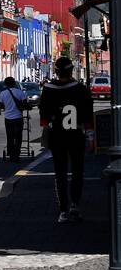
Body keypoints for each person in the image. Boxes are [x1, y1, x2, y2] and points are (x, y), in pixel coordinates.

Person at [39, 56, 95, 223]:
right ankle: (75, 205)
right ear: (71, 71)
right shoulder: (80, 89)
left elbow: (44, 117)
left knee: (60, 173)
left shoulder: (48, 89)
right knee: (77, 171)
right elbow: (87, 116)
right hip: (76, 135)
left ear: (56, 71)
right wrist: (91, 137)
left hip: (57, 135)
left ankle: (63, 210)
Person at [0, 76, 28, 162]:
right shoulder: (20, 92)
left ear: (6, 84)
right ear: (14, 83)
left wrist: (7, 107)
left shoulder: (3, 93)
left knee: (10, 136)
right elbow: (25, 104)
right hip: (18, 117)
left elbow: (0, 105)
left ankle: (10, 153)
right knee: (18, 136)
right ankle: (17, 153)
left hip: (8, 118)